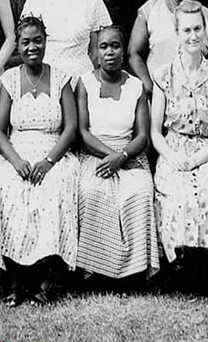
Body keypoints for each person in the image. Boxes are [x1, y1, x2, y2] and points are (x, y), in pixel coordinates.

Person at [0, 15, 78, 306]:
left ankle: (49, 279)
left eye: (37, 40)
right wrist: (15, 161)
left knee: (54, 188)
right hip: (18, 152)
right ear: (18, 45)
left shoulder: (61, 77)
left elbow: (71, 127)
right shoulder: (10, 79)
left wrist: (50, 160)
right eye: (25, 42)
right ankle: (14, 279)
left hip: (53, 153)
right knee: (7, 187)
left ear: (45, 41)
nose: (32, 47)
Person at [151, 0, 208, 296]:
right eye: (187, 30)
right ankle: (180, 269)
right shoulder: (163, 75)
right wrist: (173, 157)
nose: (193, 35)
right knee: (178, 194)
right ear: (177, 33)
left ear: (206, 30)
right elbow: (155, 132)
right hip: (173, 148)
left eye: (198, 28)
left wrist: (198, 158)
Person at [75, 26, 159, 281]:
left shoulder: (136, 86)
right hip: (94, 153)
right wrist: (110, 156)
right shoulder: (85, 82)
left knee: (141, 190)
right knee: (91, 191)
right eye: (103, 47)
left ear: (123, 51)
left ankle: (135, 271)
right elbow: (82, 132)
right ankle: (94, 271)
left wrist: (121, 156)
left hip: (129, 154)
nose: (109, 52)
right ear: (95, 53)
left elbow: (143, 136)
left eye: (115, 46)